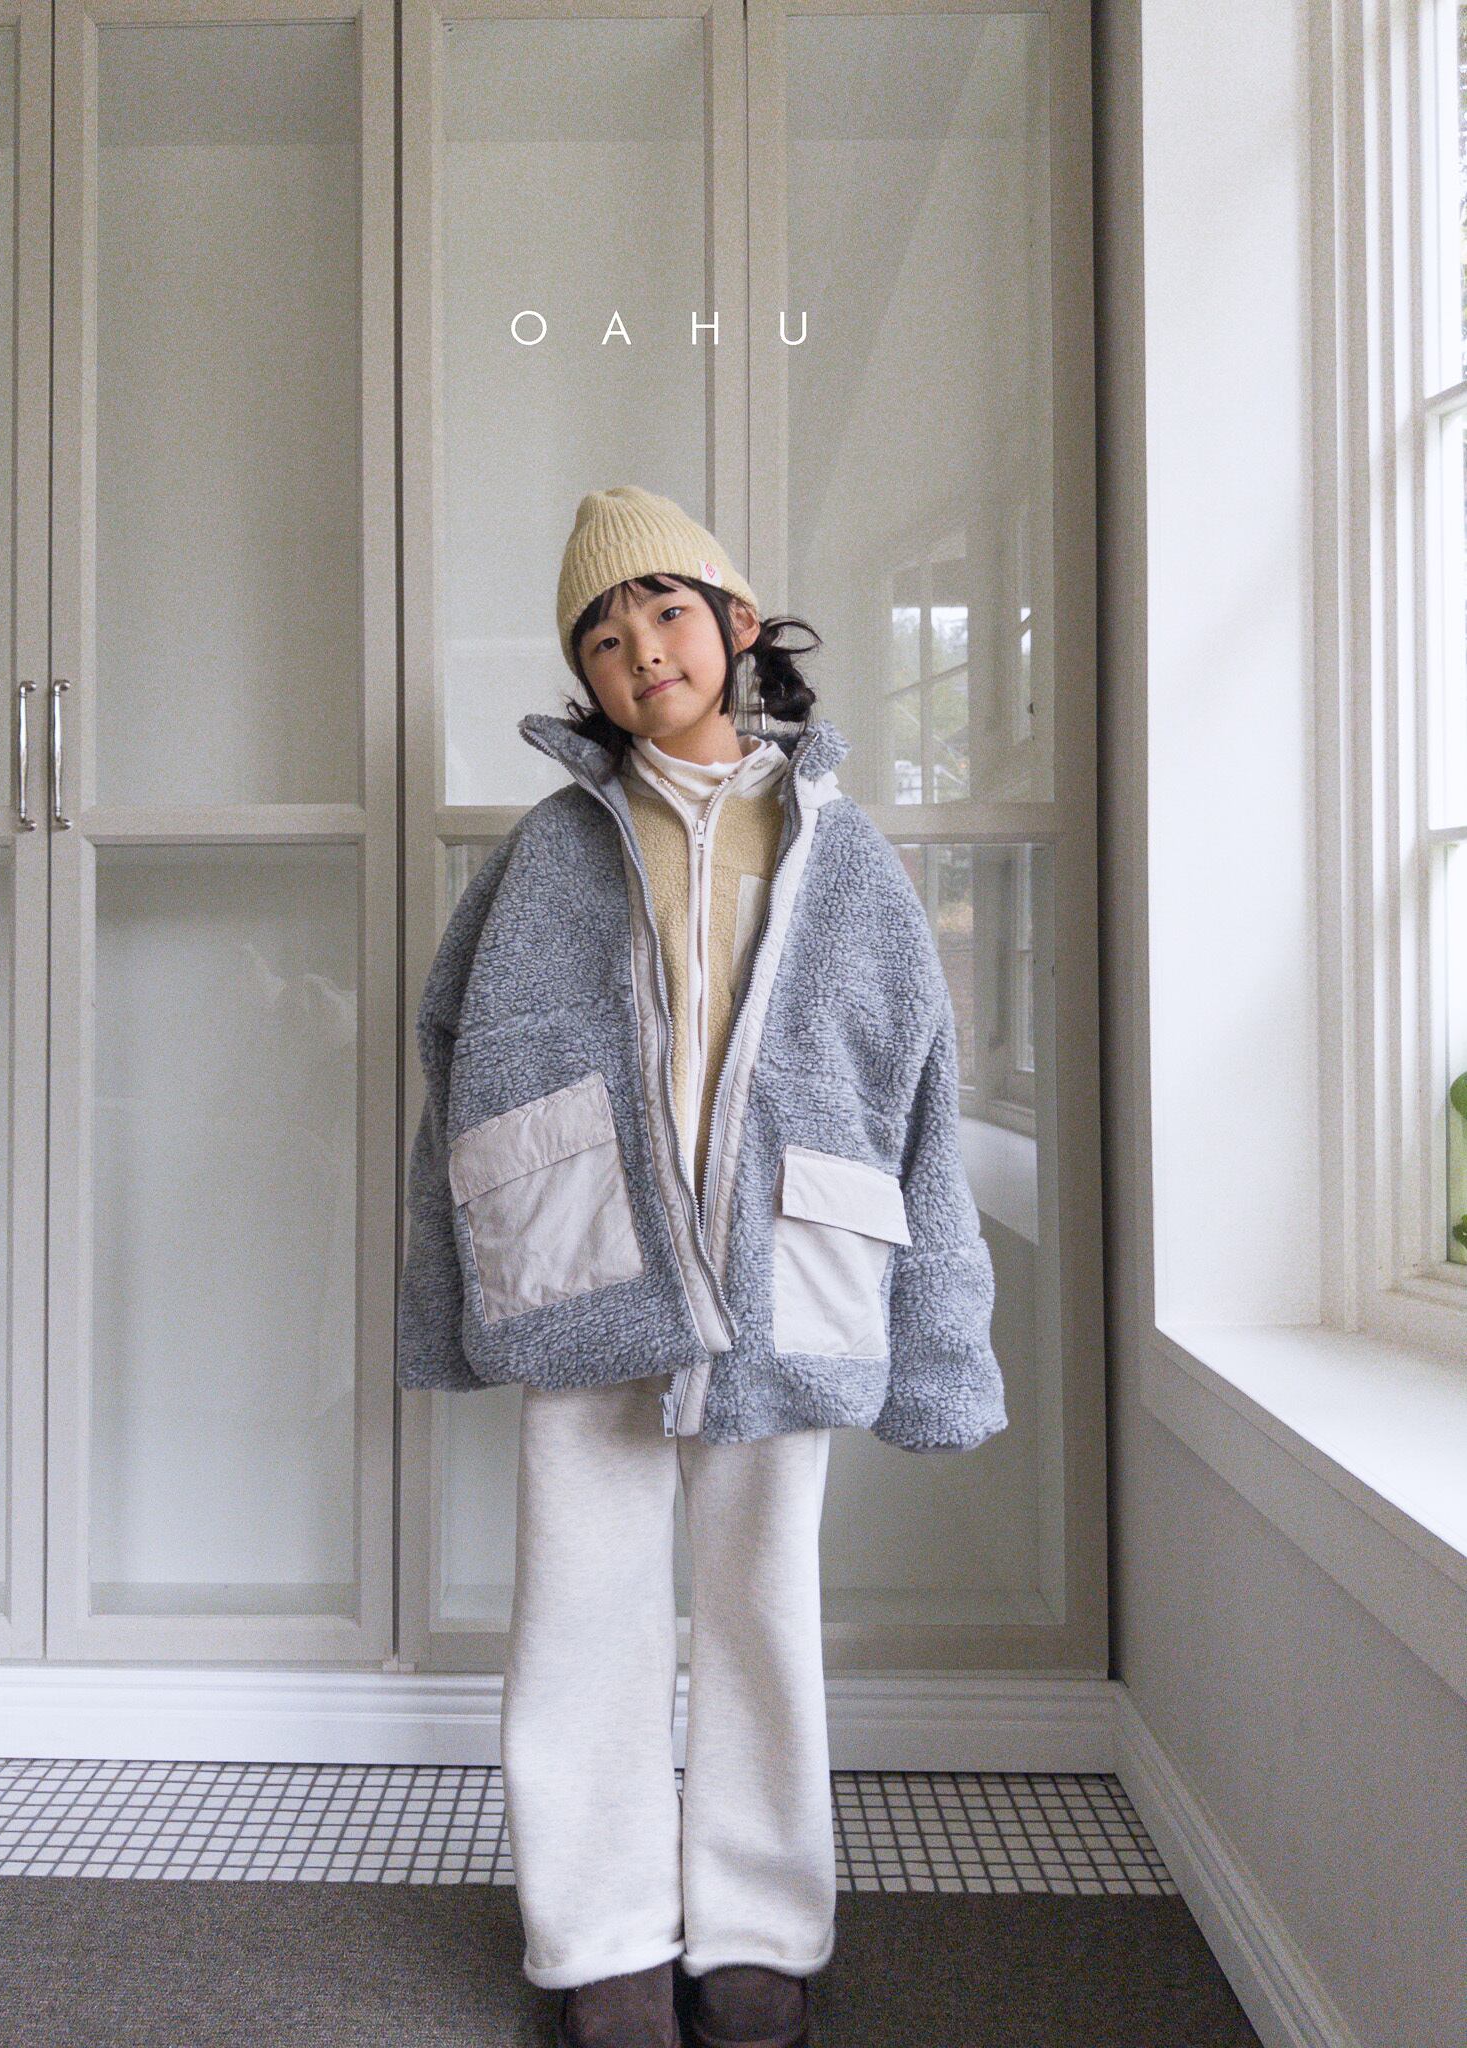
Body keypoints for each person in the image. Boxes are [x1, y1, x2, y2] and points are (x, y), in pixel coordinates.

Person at [396, 485, 1009, 2048]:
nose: (640, 653)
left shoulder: (842, 854)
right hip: (591, 1270)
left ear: (737, 623)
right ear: (585, 681)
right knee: (580, 1614)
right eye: (601, 640)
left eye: (665, 612)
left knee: (761, 1610)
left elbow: (921, 1094)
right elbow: (454, 1068)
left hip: (783, 1274)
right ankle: (601, 1932)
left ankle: (756, 1926)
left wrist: (941, 1345)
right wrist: (449, 1299)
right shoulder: (545, 855)